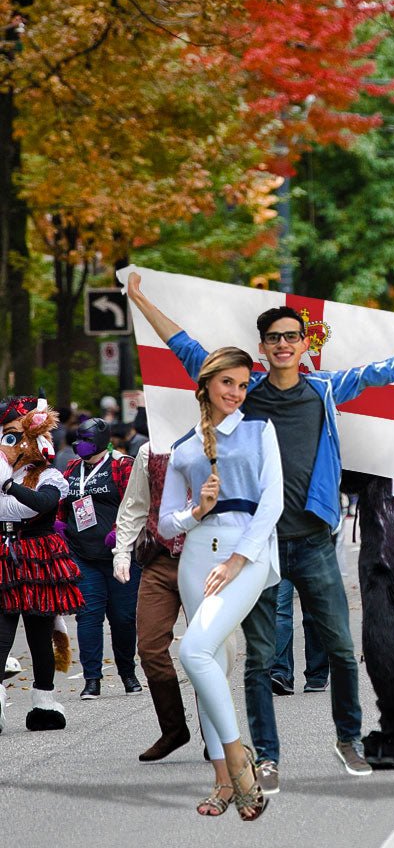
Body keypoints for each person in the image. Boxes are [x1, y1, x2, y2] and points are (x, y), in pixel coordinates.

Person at [127, 271, 394, 791]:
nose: (284, 344)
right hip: (256, 546)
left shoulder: (325, 390)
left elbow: (384, 371)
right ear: (261, 349)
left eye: (292, 336)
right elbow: (185, 347)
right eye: (274, 338)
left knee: (338, 646)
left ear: (305, 345)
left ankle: (348, 740)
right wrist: (141, 300)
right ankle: (267, 757)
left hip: (313, 542)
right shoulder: (244, 392)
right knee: (261, 658)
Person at [158, 346, 280, 819]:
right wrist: (197, 511)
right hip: (195, 557)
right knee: (211, 664)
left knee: (193, 650)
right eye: (228, 382)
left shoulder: (259, 429)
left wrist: (236, 559)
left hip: (243, 554)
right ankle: (222, 784)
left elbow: (272, 502)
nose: (236, 392)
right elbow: (166, 524)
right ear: (207, 383)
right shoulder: (185, 446)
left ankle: (239, 765)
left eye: (243, 384)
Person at [0, 395, 81, 733]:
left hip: (37, 558)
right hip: (4, 556)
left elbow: (41, 505)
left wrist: (7, 487)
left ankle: (44, 702)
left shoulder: (49, 476)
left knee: (39, 635)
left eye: (15, 436)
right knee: (2, 636)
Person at [112, 443, 192, 761]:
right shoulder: (150, 451)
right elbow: (134, 506)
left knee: (206, 649)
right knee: (149, 646)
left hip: (204, 560)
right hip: (159, 561)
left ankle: (216, 732)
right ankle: (173, 728)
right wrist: (121, 551)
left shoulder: (221, 440)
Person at [60, 418, 141, 699]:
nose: (78, 443)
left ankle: (128, 674)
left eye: (85, 438)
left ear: (100, 439)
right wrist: (60, 525)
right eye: (78, 438)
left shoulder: (122, 465)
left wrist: (120, 532)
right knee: (88, 617)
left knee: (123, 619)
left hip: (121, 555)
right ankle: (92, 679)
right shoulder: (72, 468)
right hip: (83, 555)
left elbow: (137, 504)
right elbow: (63, 502)